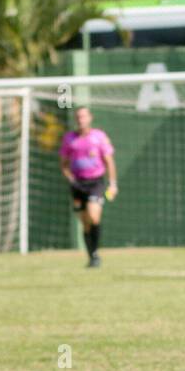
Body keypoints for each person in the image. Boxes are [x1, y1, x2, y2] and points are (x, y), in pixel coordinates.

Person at [60, 107, 117, 268]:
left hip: (95, 182)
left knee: (94, 216)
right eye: (78, 116)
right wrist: (71, 179)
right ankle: (92, 256)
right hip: (78, 184)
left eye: (83, 116)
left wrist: (113, 184)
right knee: (85, 223)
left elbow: (109, 161)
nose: (80, 119)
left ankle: (96, 253)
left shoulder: (99, 137)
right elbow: (64, 165)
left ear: (90, 118)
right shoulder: (69, 139)